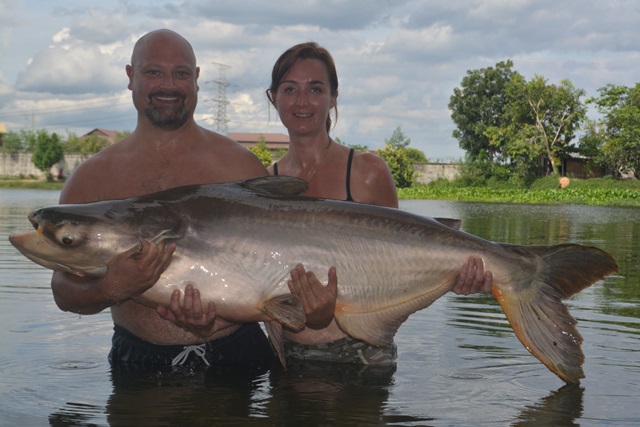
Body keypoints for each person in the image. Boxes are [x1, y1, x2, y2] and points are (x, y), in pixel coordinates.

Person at [50, 29, 275, 372]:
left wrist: (225, 317)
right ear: (131, 76)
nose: (168, 86)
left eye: (180, 73)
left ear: (196, 79)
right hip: (139, 360)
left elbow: (278, 268)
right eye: (154, 72)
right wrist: (112, 287)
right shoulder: (92, 178)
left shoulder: (240, 167)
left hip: (238, 354)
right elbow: (64, 292)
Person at [266, 42, 493, 365]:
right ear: (273, 97)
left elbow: (396, 270)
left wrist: (448, 276)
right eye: (290, 89)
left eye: (315, 89)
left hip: (362, 356)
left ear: (334, 97)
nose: (302, 100)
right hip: (287, 360)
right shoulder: (262, 185)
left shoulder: (367, 172)